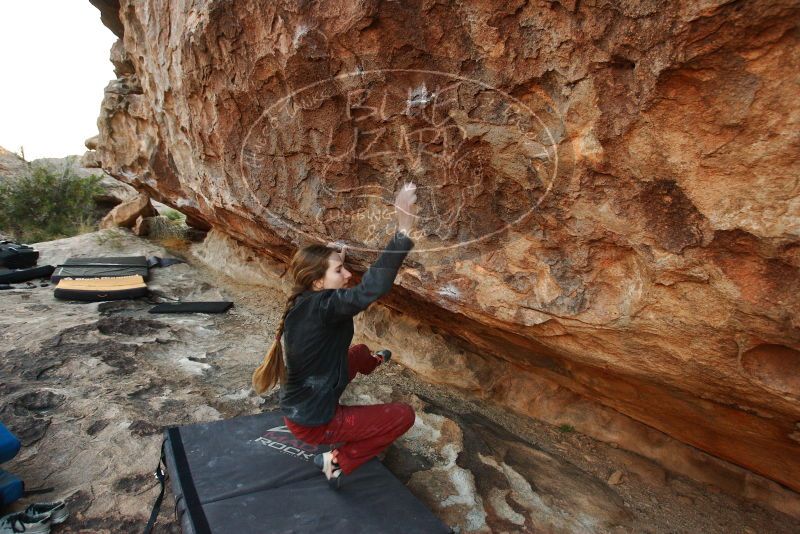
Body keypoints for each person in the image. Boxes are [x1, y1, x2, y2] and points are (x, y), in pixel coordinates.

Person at [252, 182, 418, 489]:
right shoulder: (325, 307)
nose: (349, 274)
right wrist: (403, 229)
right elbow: (371, 288)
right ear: (318, 282)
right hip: (314, 422)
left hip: (302, 402)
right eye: (340, 270)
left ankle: (373, 361)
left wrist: (333, 260)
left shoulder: (306, 301)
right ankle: (336, 461)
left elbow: (333, 288)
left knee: (359, 353)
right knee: (403, 415)